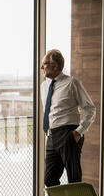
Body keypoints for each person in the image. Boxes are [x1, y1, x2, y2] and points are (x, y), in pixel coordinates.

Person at [41, 49, 96, 187]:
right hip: (51, 136)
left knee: (74, 179)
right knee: (49, 180)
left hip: (68, 134)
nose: (42, 67)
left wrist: (79, 132)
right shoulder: (44, 86)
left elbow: (90, 108)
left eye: (45, 64)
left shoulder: (71, 83)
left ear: (55, 65)